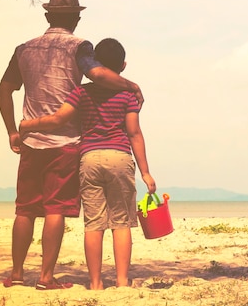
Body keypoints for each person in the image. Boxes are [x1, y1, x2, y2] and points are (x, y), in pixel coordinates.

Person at [0, 0, 143, 290]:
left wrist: (13, 130)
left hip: (31, 139)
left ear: (48, 15)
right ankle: (46, 277)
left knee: (24, 209)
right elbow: (99, 76)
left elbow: (3, 89)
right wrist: (131, 85)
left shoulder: (23, 49)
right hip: (65, 142)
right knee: (55, 209)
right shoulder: (79, 47)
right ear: (76, 18)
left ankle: (17, 273)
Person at [19, 38, 156, 290]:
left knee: (94, 224)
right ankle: (123, 281)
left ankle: (95, 283)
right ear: (123, 66)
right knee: (121, 223)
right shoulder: (127, 95)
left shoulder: (81, 92)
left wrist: (28, 125)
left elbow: (59, 119)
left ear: (95, 65)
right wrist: (145, 172)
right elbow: (134, 133)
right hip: (119, 157)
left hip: (89, 158)